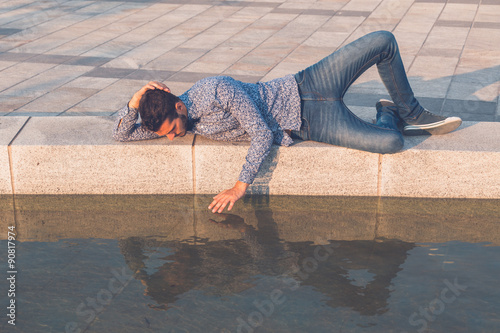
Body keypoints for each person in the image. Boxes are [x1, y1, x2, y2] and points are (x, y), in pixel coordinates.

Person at [113, 31, 462, 214]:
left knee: (383, 41)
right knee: (391, 143)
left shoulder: (216, 89)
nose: (172, 138)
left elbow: (262, 134)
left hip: (308, 84)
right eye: (167, 135)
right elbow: (122, 135)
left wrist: (239, 186)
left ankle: (412, 113)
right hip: (310, 124)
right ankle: (388, 111)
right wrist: (134, 100)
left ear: (179, 106)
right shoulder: (169, 119)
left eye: (173, 130)